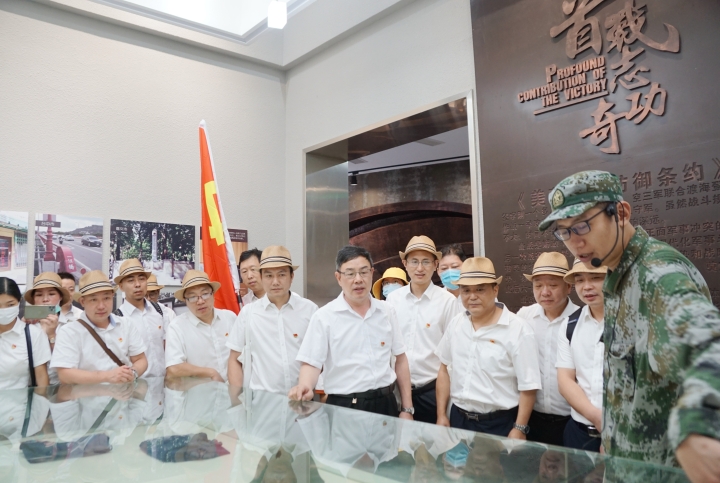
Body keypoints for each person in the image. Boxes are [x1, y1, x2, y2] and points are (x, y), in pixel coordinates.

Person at [539, 170, 720, 480]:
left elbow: (708, 342)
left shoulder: (657, 274)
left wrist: (700, 426)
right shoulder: (618, 276)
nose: (575, 241)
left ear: (621, 213)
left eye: (583, 225)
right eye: (564, 232)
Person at [289, 245, 413, 419]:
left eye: (363, 272)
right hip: (344, 407)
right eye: (350, 273)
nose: (358, 279)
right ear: (338, 277)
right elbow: (311, 362)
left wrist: (407, 408)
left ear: (372, 273)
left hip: (386, 404)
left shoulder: (386, 311)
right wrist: (305, 386)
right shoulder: (324, 317)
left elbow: (400, 359)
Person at [435, 257, 541, 438]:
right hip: (458, 420)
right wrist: (441, 414)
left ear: (495, 289)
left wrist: (519, 427)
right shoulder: (457, 323)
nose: (472, 296)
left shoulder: (518, 330)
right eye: (466, 290)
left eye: (480, 289)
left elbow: (529, 386)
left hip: (498, 424)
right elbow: (444, 369)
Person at [385, 235, 458, 424]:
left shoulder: (447, 301)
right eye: (414, 261)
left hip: (432, 392)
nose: (420, 268)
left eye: (426, 262)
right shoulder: (393, 300)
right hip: (397, 391)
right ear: (405, 264)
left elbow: (452, 354)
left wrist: (442, 411)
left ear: (435, 265)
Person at [227, 245, 318, 392]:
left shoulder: (310, 310)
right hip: (262, 401)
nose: (275, 282)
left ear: (292, 276)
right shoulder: (248, 313)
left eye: (281, 274)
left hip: (302, 399)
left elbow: (319, 357)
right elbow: (234, 359)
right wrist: (237, 397)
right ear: (262, 277)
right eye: (269, 275)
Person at [516, 252, 578, 446]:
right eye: (538, 286)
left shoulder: (581, 319)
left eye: (552, 285)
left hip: (571, 420)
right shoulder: (524, 317)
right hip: (531, 418)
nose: (545, 292)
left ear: (568, 287)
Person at [50, 270, 148, 384]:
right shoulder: (69, 331)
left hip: (124, 393)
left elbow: (140, 359)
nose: (101, 306)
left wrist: (132, 373)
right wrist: (107, 376)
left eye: (106, 298)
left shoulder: (126, 324)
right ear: (82, 301)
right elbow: (65, 375)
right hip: (86, 394)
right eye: (93, 299)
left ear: (112, 296)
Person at [556, 259, 607, 452]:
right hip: (579, 433)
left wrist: (612, 431)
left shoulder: (633, 322)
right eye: (580, 280)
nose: (587, 287)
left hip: (625, 433)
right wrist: (597, 418)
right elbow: (565, 381)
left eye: (595, 278)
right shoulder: (570, 325)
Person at [165, 270, 236, 381]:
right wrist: (211, 373)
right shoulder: (177, 327)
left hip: (234, 389)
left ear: (213, 294)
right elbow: (173, 368)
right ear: (185, 301)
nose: (200, 301)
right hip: (199, 390)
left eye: (205, 294)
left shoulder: (229, 317)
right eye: (192, 297)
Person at [114, 259, 168, 378]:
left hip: (164, 384)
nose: (137, 284)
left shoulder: (161, 311)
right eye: (131, 280)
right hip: (137, 385)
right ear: (121, 286)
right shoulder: (118, 319)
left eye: (142, 279)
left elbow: (169, 347)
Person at [0, 277, 50, 388]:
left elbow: (42, 379)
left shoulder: (33, 334)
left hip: (19, 399)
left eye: (10, 305)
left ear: (19, 301)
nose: (3, 310)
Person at [24, 272, 71, 348]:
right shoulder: (25, 324)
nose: (45, 299)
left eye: (51, 294)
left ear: (60, 297)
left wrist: (51, 335)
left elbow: (67, 354)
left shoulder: (70, 325)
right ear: (33, 299)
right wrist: (23, 329)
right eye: (39, 295)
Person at [437, 243, 468, 315]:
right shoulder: (436, 299)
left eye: (454, 267)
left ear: (465, 266)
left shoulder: (476, 296)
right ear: (438, 271)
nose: (450, 272)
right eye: (444, 268)